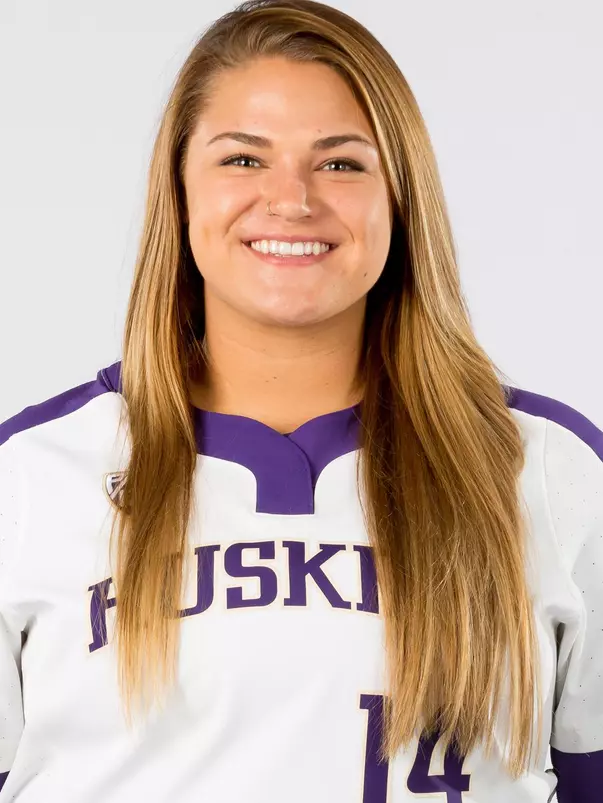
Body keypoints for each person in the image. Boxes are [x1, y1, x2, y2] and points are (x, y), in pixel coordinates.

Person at [0, 0, 600, 800]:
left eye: (342, 162)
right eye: (242, 160)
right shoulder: (32, 476)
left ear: (400, 197)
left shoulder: (544, 469)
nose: (291, 199)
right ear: (179, 192)